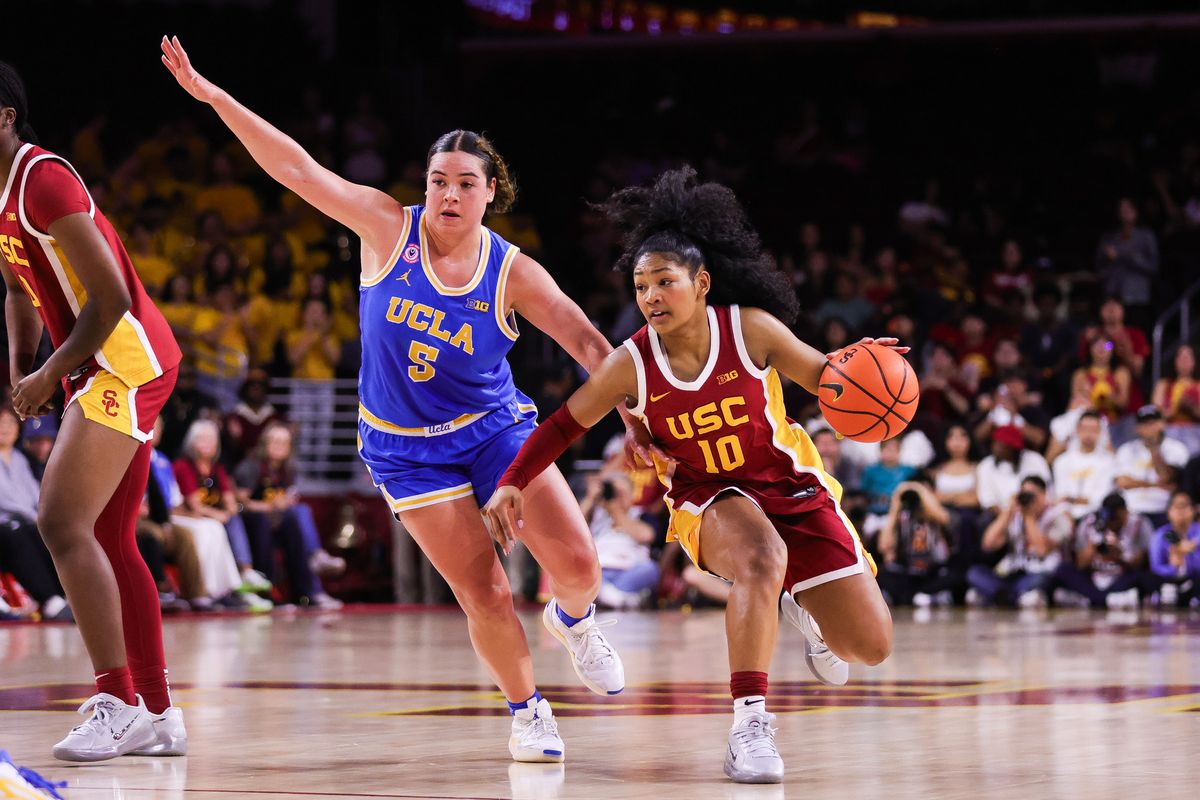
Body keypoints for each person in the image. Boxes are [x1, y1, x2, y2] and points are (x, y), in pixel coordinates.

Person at [162, 37, 641, 762]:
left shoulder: (512, 271)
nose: (448, 194)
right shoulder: (388, 228)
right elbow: (297, 167)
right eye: (438, 179)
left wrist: (633, 410)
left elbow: (586, 343)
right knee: (483, 591)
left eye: (464, 183)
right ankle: (528, 711)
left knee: (579, 565)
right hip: (407, 452)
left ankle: (573, 621)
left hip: (493, 432)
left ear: (490, 193)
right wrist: (214, 97)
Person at [483, 168, 896, 784]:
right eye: (641, 284)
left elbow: (826, 378)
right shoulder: (631, 364)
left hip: (790, 486)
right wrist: (514, 477)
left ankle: (800, 602)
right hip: (709, 498)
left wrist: (863, 375)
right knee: (759, 555)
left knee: (871, 646)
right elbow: (565, 425)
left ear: (701, 284)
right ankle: (749, 727)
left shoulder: (750, 329)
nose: (650, 295)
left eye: (664, 282)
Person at [0, 62, 185, 760]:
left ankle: (116, 699)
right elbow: (19, 290)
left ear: (4, 116)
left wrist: (53, 370)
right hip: (93, 362)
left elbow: (108, 298)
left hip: (126, 361)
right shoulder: (0, 193)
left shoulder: (44, 179)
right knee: (109, 537)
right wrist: (23, 369)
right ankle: (161, 715)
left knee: (59, 520)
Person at [967, 476, 1073, 607]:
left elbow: (1041, 551)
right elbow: (988, 544)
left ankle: (998, 596)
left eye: (1031, 495)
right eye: (1024, 494)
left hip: (1039, 572)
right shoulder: (1016, 516)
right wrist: (1007, 512)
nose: (1027, 499)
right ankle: (1012, 597)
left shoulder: (1057, 517)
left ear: (1044, 495)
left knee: (1042, 579)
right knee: (974, 573)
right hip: (1013, 572)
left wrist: (1029, 517)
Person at [1056, 493, 1153, 608]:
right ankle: (1106, 599)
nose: (1112, 524)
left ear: (1125, 512)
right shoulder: (1088, 524)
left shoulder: (1140, 523)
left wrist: (1119, 557)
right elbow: (1081, 564)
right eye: (1109, 520)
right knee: (1063, 569)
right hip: (1095, 576)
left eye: (1116, 519)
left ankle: (1091, 599)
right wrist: (1093, 546)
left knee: (1144, 576)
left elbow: (1140, 563)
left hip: (1122, 576)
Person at [876, 478, 962, 606]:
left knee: (954, 576)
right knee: (883, 574)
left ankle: (921, 595)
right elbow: (883, 547)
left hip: (934, 571)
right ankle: (923, 596)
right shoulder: (901, 518)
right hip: (908, 571)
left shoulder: (940, 515)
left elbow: (944, 519)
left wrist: (921, 492)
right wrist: (895, 506)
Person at [1114, 405, 1189, 529]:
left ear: (1162, 424)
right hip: (1132, 512)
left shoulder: (1176, 448)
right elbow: (1123, 482)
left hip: (1163, 512)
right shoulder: (1126, 450)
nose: (1149, 427)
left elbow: (1166, 477)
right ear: (1137, 428)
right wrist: (1155, 485)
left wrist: (1154, 449)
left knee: (1167, 542)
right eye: (1144, 423)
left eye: (1153, 422)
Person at [1051, 411, 1115, 521]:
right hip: (1064, 517)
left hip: (1094, 516)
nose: (1089, 434)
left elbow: (1100, 499)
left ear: (1100, 432)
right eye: (1085, 429)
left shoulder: (1109, 461)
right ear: (1077, 430)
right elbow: (1060, 496)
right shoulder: (1061, 461)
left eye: (1093, 430)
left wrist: (1070, 499)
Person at [1148, 490, 1200, 606]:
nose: (1181, 511)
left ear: (1193, 510)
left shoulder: (1198, 532)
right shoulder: (1161, 534)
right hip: (1170, 580)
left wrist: (1189, 559)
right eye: (1176, 506)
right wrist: (1174, 567)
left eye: (1184, 506)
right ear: (1169, 512)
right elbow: (1155, 566)